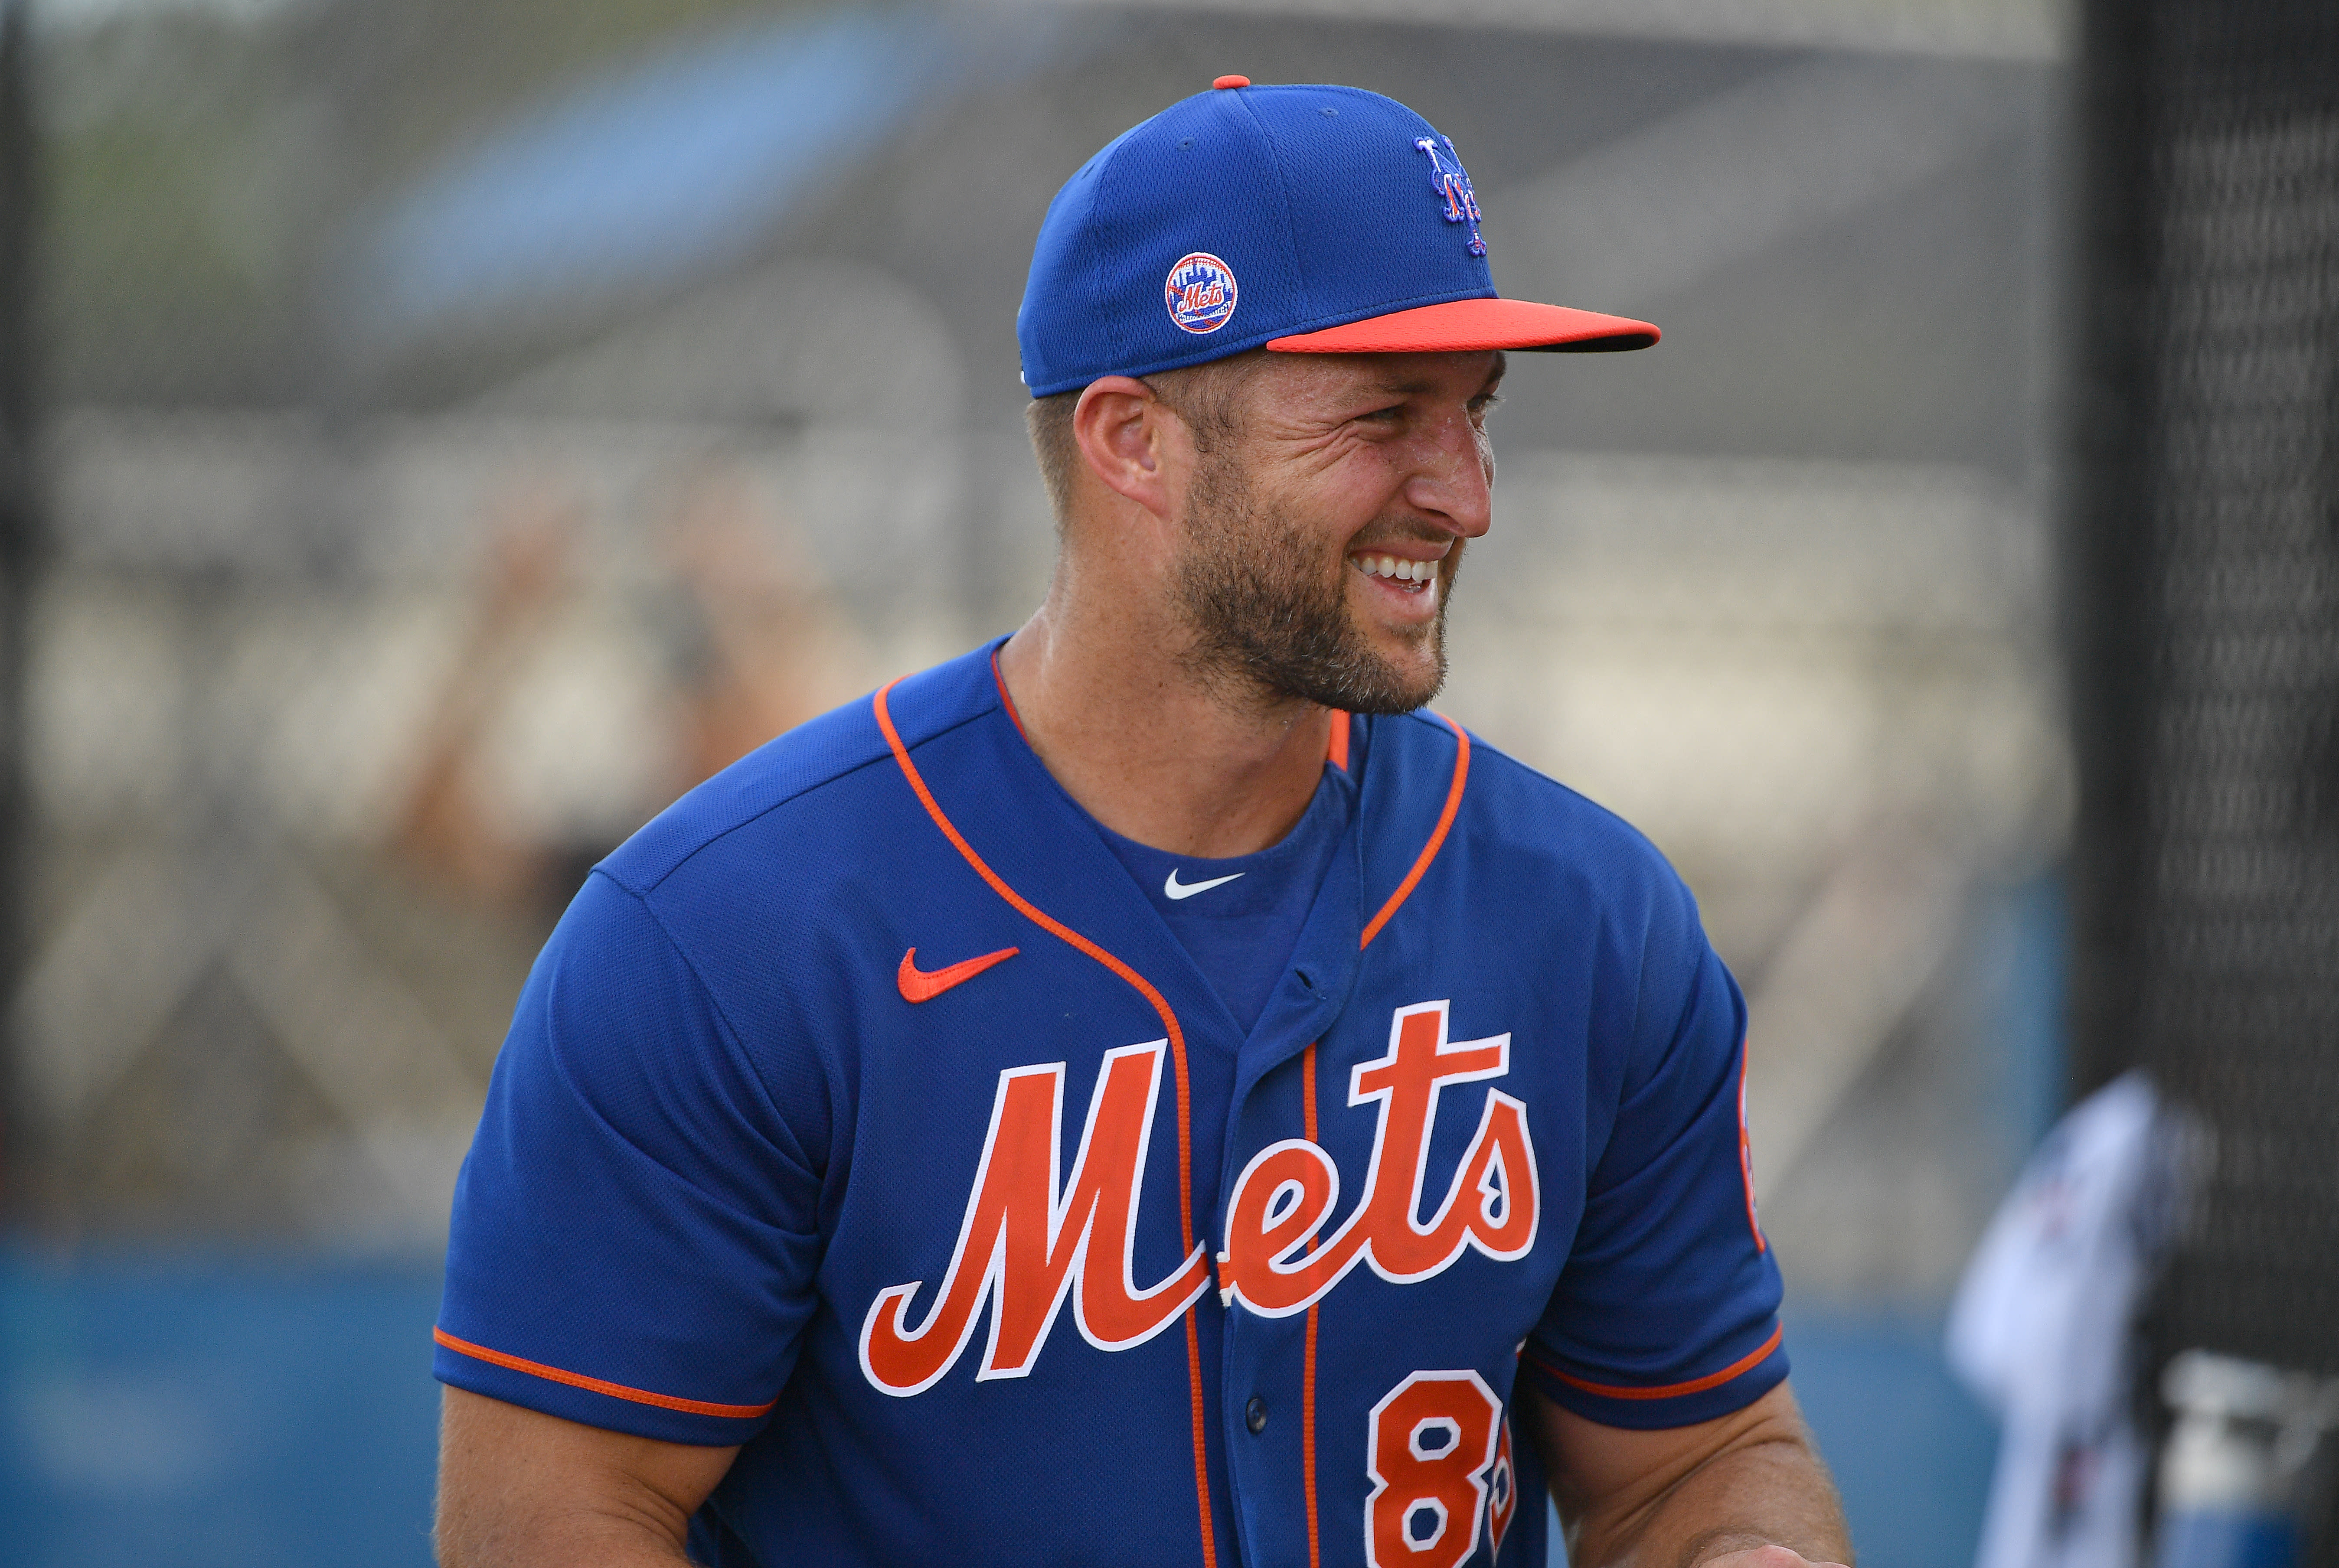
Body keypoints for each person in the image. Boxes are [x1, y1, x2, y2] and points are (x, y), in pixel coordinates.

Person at [431, 78, 1854, 1568]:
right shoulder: (726, 934)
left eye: (1475, 415)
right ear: (1133, 442)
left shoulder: (1588, 917)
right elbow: (559, 1516)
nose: (1464, 496)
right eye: (1385, 416)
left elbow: (1697, 1460)